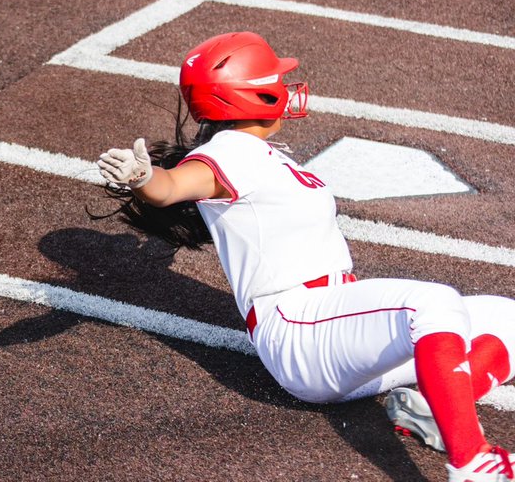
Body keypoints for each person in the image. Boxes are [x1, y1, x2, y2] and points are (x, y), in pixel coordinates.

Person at [96, 31, 515, 482]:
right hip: (300, 329)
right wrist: (145, 180)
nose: (286, 84)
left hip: (333, 327)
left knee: (505, 317)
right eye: (275, 76)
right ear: (249, 93)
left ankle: (437, 412)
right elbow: (175, 186)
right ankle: (472, 464)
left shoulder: (259, 154)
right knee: (431, 305)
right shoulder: (228, 152)